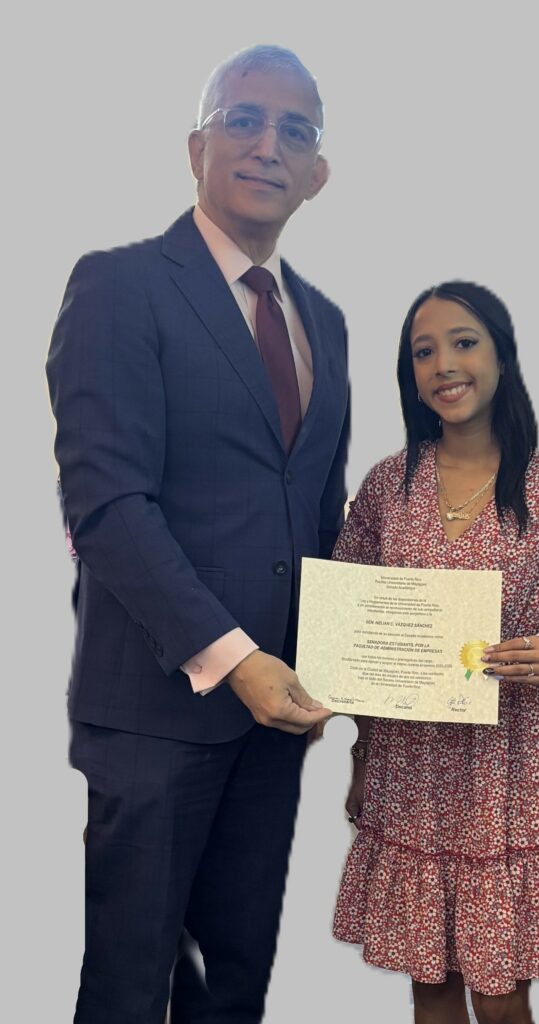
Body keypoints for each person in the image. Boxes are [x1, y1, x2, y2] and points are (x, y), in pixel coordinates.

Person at [46, 44, 348, 1024]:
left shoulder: (324, 322)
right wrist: (236, 660)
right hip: (155, 717)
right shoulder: (120, 286)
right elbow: (108, 509)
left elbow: (321, 513)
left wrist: (365, 652)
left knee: (232, 983)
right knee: (131, 990)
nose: (267, 146)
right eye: (243, 120)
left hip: (277, 723)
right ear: (196, 148)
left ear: (317, 172)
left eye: (293, 131)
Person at [331, 282, 539, 1024]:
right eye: (422, 351)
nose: (443, 365)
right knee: (430, 987)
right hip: (410, 768)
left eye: (463, 342)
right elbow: (350, 624)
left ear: (501, 355)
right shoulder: (387, 486)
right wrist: (360, 755)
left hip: (508, 772)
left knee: (500, 999)